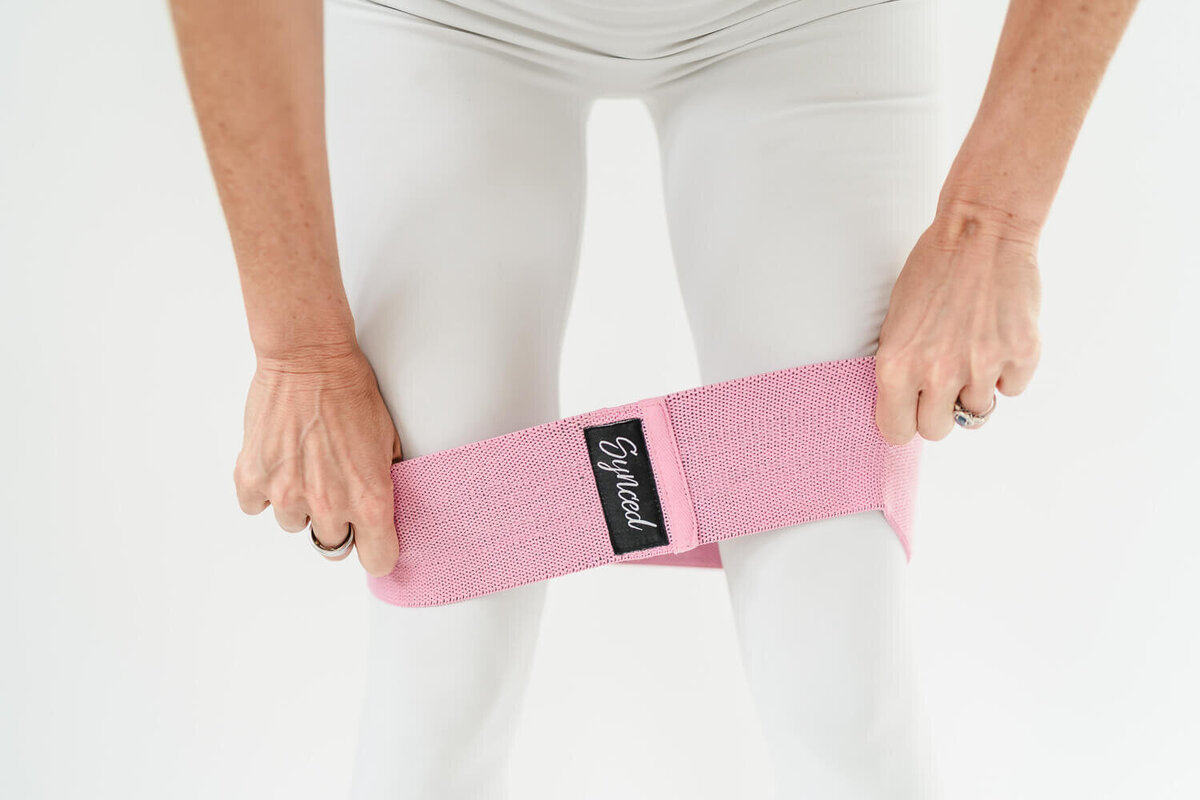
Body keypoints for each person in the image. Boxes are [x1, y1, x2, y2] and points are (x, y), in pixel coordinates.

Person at [168, 0, 1139, 796]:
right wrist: (298, 346)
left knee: (839, 656)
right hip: (447, 22)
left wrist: (994, 220)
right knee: (444, 666)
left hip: (807, 23)